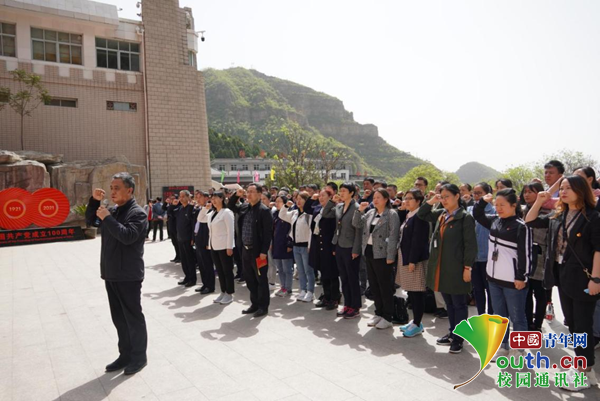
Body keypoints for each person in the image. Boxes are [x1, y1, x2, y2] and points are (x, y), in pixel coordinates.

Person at [526, 175, 600, 391]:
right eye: (563, 188)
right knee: (574, 325)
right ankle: (588, 370)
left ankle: (583, 371)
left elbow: (598, 250)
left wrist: (596, 278)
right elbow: (530, 221)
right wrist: (540, 200)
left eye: (569, 188)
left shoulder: (593, 217)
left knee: (583, 326)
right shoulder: (558, 214)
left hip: (585, 278)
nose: (564, 191)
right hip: (563, 275)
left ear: (581, 191)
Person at [86, 173, 148, 375]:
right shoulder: (112, 211)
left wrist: (108, 218)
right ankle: (125, 355)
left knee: (133, 318)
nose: (112, 192)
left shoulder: (137, 213)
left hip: (128, 275)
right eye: (111, 188)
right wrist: (94, 202)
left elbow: (128, 236)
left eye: (117, 188)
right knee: (119, 319)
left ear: (129, 190)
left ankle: (139, 357)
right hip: (111, 273)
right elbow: (91, 222)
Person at [417, 183, 477, 354]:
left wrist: (468, 267)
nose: (443, 200)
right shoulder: (442, 214)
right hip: (441, 267)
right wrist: (432, 200)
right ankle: (452, 332)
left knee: (459, 304)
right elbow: (422, 214)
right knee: (449, 304)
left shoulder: (465, 218)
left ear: (457, 196)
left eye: (446, 197)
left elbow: (470, 245)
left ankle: (459, 339)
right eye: (441, 197)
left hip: (457, 267)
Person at [474, 189, 532, 360]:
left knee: (518, 317)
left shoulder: (521, 227)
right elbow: (477, 214)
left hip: (513, 281)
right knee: (499, 316)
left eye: (502, 205)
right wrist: (484, 201)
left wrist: (522, 276)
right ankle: (504, 346)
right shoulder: (494, 221)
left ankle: (519, 349)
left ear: (514, 205)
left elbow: (526, 255)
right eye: (496, 205)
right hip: (493, 279)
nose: (498, 208)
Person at [353, 188, 400, 329]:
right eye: (374, 197)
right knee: (374, 285)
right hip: (369, 252)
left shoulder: (392, 214)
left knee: (384, 286)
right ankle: (378, 312)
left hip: (383, 255)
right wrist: (360, 210)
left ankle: (388, 316)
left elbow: (393, 236)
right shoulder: (370, 213)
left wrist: (391, 256)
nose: (375, 200)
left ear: (386, 199)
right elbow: (357, 224)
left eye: (379, 197)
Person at [228, 184, 273, 318]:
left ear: (260, 194)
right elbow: (230, 206)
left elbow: (267, 234)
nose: (248, 194)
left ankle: (263, 306)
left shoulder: (264, 211)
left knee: (261, 279)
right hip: (245, 250)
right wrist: (237, 195)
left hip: (258, 252)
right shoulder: (244, 208)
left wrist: (264, 252)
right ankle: (254, 304)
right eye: (247, 192)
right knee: (249, 279)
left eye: (252, 192)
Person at [323, 182, 363, 319]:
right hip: (339, 245)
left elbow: (359, 231)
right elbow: (325, 214)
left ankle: (355, 306)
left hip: (351, 247)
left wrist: (356, 249)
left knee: (352, 278)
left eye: (344, 190)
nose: (341, 193)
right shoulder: (339, 206)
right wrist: (331, 202)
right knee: (344, 278)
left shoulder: (357, 208)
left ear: (352, 193)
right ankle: (347, 304)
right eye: (341, 190)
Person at [396, 189, 430, 337]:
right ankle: (415, 321)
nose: (407, 201)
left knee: (417, 292)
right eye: (406, 198)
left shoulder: (420, 216)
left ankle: (417, 323)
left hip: (414, 259)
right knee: (411, 291)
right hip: (405, 256)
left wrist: (412, 260)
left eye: (410, 198)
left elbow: (418, 241)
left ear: (418, 201)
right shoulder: (409, 215)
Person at [521, 181, 550, 331]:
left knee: (539, 293)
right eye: (525, 192)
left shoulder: (547, 213)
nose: (526, 195)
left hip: (539, 256)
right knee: (526, 292)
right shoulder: (521, 211)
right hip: (524, 256)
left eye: (530, 192)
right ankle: (527, 322)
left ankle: (537, 324)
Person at [199, 192, 236, 304]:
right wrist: (205, 208)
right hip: (214, 246)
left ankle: (229, 293)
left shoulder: (227, 212)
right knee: (219, 271)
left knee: (227, 271)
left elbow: (231, 231)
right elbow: (200, 219)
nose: (213, 201)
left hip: (225, 246)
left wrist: (230, 246)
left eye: (215, 198)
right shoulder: (213, 213)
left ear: (222, 199)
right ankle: (223, 291)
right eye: (212, 199)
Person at [280, 192, 316, 302]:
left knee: (308, 270)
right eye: (297, 199)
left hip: (306, 246)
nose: (298, 201)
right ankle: (303, 290)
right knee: (300, 270)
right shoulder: (294, 213)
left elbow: (311, 231)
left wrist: (310, 245)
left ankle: (310, 292)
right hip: (296, 245)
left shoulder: (309, 214)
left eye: (301, 199)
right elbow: (282, 215)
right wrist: (286, 206)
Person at [310, 190, 340, 310]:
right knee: (324, 274)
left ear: (330, 197)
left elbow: (335, 230)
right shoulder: (317, 210)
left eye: (324, 196)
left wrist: (334, 247)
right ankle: (326, 297)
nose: (321, 198)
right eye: (320, 196)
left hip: (329, 245)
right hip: (319, 245)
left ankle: (335, 298)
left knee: (332, 273)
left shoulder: (334, 210)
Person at [467, 182, 495, 315]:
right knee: (477, 290)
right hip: (473, 258)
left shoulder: (494, 212)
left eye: (479, 193)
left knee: (491, 291)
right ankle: (481, 316)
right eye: (474, 193)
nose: (476, 196)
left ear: (488, 195)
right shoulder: (469, 211)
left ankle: (491, 318)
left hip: (489, 258)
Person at [272, 195, 294, 297]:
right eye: (276, 201)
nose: (277, 203)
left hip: (285, 245)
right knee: (280, 269)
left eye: (279, 201)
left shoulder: (289, 214)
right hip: (277, 245)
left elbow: (291, 230)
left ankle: (288, 288)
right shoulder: (275, 214)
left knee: (287, 269)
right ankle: (283, 286)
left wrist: (290, 243)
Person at [193, 191, 215, 294]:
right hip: (198, 240)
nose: (197, 199)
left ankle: (210, 286)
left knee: (207, 264)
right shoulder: (199, 209)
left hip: (206, 241)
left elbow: (209, 229)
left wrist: (208, 243)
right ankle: (204, 284)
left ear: (206, 198)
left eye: (200, 197)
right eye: (196, 197)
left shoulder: (210, 210)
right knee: (201, 264)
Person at [176, 190, 197, 287]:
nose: (181, 198)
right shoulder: (180, 209)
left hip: (188, 238)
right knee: (183, 260)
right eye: (180, 196)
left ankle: (192, 279)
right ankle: (187, 277)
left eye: (183, 196)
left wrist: (193, 238)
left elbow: (193, 225)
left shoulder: (191, 208)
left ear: (188, 197)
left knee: (190, 260)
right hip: (180, 238)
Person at [165, 195, 181, 263]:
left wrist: (175, 205)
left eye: (174, 199)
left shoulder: (180, 207)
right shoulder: (171, 206)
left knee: (178, 244)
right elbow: (168, 212)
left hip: (177, 228)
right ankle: (177, 256)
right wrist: (172, 205)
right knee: (174, 243)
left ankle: (180, 257)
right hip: (171, 228)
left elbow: (174, 214)